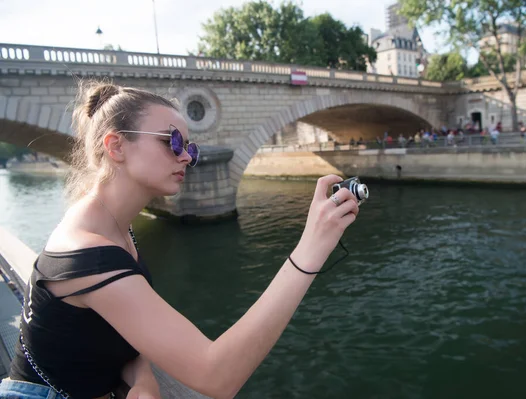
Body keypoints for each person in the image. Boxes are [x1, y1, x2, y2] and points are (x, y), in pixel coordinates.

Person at [0, 81, 360, 399]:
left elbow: (112, 326)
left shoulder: (110, 224)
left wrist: (140, 374)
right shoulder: (88, 251)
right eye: (173, 142)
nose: (187, 157)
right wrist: (311, 247)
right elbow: (217, 376)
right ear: (116, 146)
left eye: (191, 147)